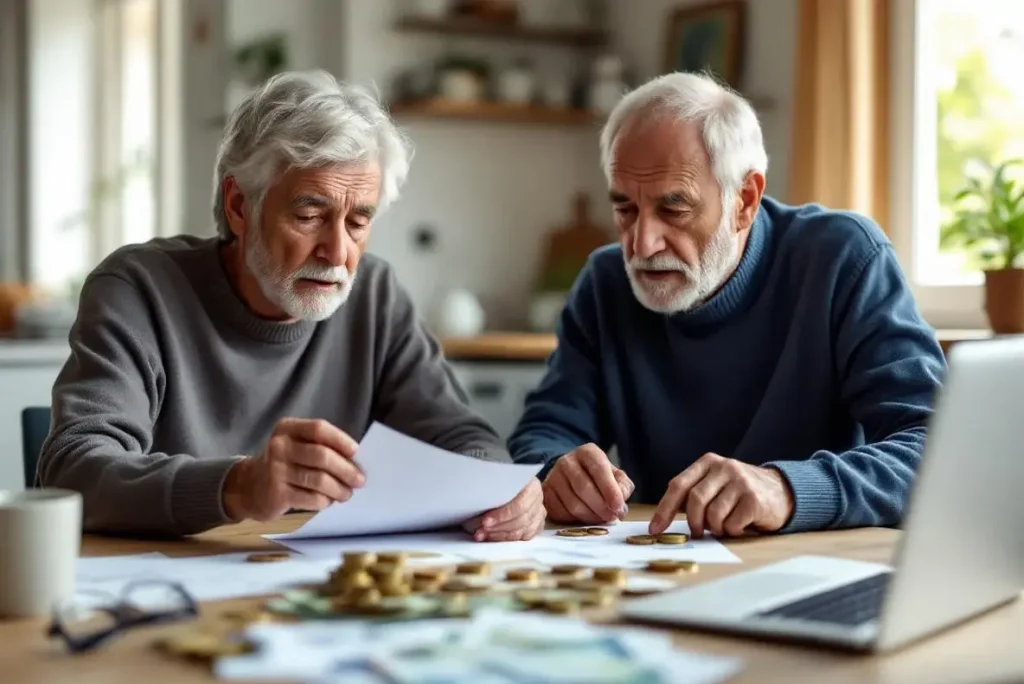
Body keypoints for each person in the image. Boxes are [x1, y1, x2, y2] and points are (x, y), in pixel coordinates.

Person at [39, 70, 544, 541]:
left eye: (358, 221)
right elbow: (73, 471)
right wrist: (237, 486)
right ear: (240, 205)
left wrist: (499, 488)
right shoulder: (138, 289)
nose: (338, 252)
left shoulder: (374, 294)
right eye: (309, 215)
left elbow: (461, 434)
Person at [507, 72, 946, 538]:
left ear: (745, 201)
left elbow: (936, 450)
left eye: (674, 209)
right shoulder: (605, 282)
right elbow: (543, 431)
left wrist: (788, 489)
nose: (642, 243)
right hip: (661, 560)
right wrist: (556, 469)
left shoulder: (843, 258)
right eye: (625, 209)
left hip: (811, 559)